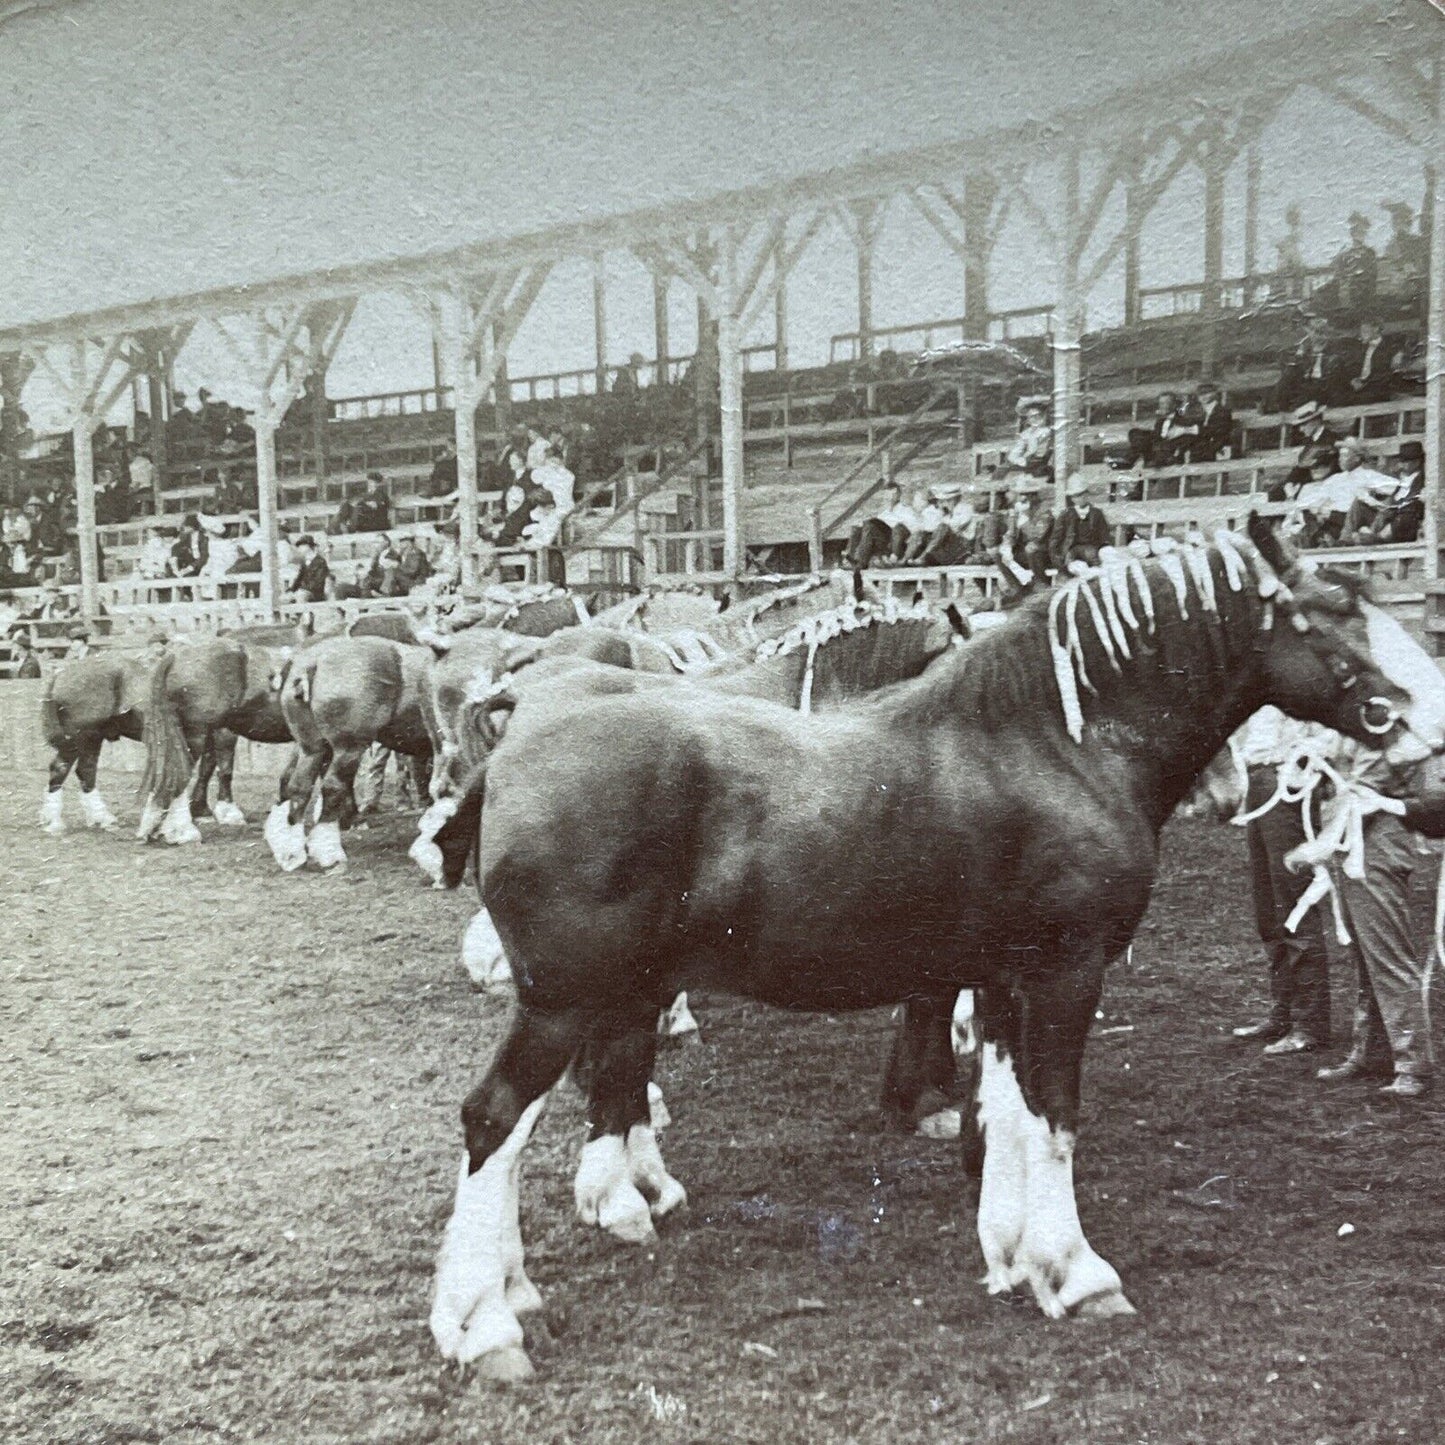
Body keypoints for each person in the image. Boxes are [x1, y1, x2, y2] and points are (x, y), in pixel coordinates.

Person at [1230, 707, 1334, 1055]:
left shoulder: (1301, 679)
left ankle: (1310, 1024)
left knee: (1294, 905)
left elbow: (1330, 736)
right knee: (1268, 910)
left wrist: (1298, 766)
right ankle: (1282, 1014)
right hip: (1257, 784)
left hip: (1285, 787)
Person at [1049, 474, 1109, 573]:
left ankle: (1096, 574)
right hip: (1071, 547)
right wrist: (1055, 554)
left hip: (1090, 546)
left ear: (1087, 495)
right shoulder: (1066, 514)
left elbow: (1104, 534)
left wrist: (1102, 548)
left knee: (1091, 555)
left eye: (1082, 494)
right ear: (1072, 498)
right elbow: (1056, 536)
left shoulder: (1096, 513)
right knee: (1070, 561)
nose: (1079, 498)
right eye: (1076, 496)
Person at [843, 481, 905, 570]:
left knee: (869, 525)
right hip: (879, 539)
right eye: (887, 495)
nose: (889, 497)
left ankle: (861, 562)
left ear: (899, 495)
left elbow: (907, 529)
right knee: (857, 527)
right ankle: (850, 558)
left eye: (893, 494)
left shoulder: (905, 510)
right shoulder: (885, 512)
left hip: (892, 540)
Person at [1329, 211, 1378, 317]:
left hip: (1365, 302)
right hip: (1347, 302)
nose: (1358, 234)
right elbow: (1337, 276)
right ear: (1352, 233)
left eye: (1361, 231)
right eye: (1355, 231)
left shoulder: (1370, 253)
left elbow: (1372, 277)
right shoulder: (1343, 255)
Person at [1378, 201, 1426, 301]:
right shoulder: (1390, 245)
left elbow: (1418, 267)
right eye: (1395, 221)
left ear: (1408, 223)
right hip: (1394, 291)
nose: (1397, 224)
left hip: (1413, 290)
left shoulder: (1416, 242)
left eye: (1401, 221)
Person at [1004, 401, 1053, 478]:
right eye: (1031, 416)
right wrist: (1017, 459)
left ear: (1044, 416)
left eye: (1038, 416)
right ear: (1028, 418)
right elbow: (1016, 451)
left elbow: (1033, 451)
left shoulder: (1047, 431)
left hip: (1040, 464)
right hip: (1026, 463)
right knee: (1003, 472)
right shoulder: (1026, 433)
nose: (1034, 419)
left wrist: (1024, 459)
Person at [1192, 382, 1236, 463]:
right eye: (1200, 394)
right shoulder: (1197, 412)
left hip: (1220, 446)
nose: (1203, 397)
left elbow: (1222, 433)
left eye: (1207, 393)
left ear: (1215, 393)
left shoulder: (1223, 411)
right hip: (1203, 447)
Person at [287, 535, 330, 603]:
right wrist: (291, 590)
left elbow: (318, 582)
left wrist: (303, 589)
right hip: (303, 591)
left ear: (308, 546)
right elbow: (298, 579)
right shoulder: (304, 563)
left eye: (302, 545)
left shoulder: (320, 561)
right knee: (285, 597)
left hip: (316, 593)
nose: (299, 548)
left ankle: (305, 613)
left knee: (301, 595)